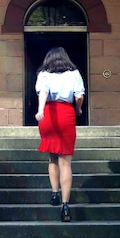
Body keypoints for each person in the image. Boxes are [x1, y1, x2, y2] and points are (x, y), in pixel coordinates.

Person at [35, 47, 85, 222]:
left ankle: (54, 193)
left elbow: (43, 92)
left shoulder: (43, 74)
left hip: (48, 115)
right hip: (66, 114)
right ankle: (65, 205)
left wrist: (40, 111)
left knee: (52, 158)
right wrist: (78, 109)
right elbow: (79, 97)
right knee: (66, 163)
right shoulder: (74, 74)